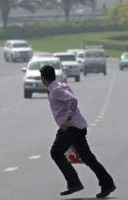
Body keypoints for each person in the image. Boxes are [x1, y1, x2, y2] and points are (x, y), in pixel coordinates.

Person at [40, 65, 116, 198]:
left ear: (43, 78)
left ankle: (74, 183)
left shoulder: (56, 90)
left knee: (56, 152)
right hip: (78, 126)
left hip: (71, 127)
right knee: (88, 158)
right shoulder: (60, 86)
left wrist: (67, 119)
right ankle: (107, 183)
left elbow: (72, 100)